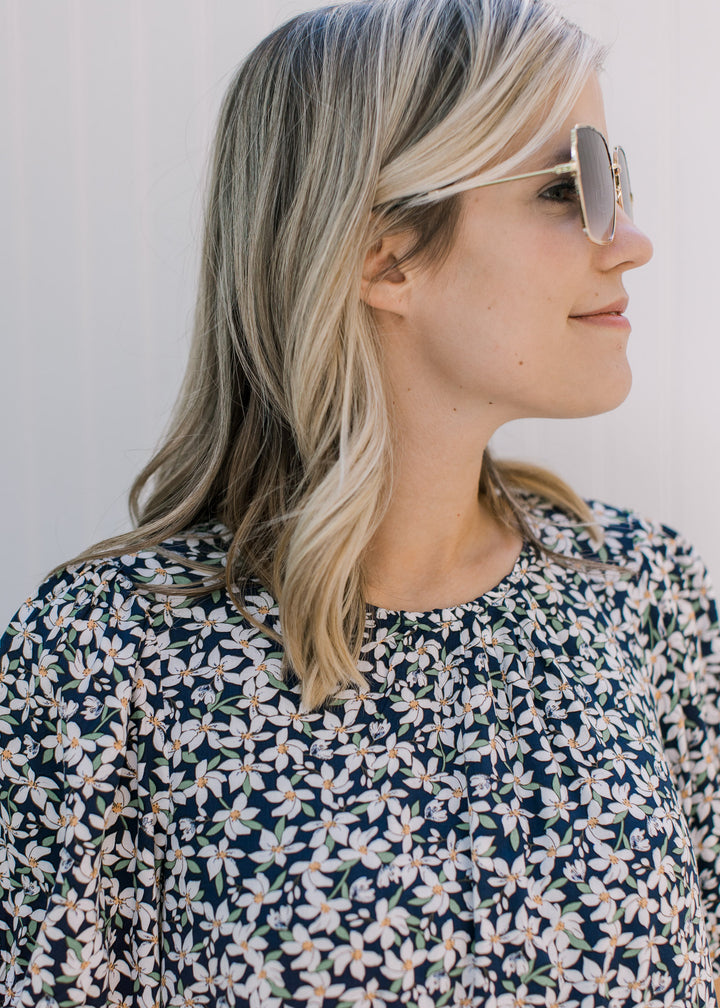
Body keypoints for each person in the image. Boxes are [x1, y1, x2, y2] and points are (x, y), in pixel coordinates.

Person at [1, 0, 718, 1004]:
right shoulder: (104, 663)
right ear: (386, 258)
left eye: (615, 181)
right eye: (569, 186)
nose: (631, 240)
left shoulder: (644, 594)